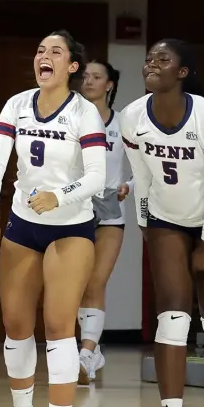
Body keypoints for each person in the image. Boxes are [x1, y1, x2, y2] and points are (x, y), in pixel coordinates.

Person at [0, 30, 106, 407]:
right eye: (39, 51)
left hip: (71, 226)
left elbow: (97, 178)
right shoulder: (17, 104)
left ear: (72, 67)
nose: (44, 57)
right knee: (16, 324)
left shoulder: (85, 113)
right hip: (23, 223)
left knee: (57, 324)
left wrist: (60, 195)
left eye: (56, 52)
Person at [119, 39, 204, 407]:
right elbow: (141, 179)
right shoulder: (132, 117)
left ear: (183, 72)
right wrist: (145, 226)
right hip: (166, 220)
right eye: (149, 58)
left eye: (163, 59)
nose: (152, 63)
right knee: (172, 317)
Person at [77, 60, 133, 383]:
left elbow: (141, 163)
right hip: (77, 205)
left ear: (109, 85)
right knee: (78, 283)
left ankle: (87, 352)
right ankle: (90, 350)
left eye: (96, 77)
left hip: (110, 206)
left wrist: (131, 186)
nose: (89, 81)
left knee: (96, 282)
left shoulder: (123, 122)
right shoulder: (73, 116)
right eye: (85, 76)